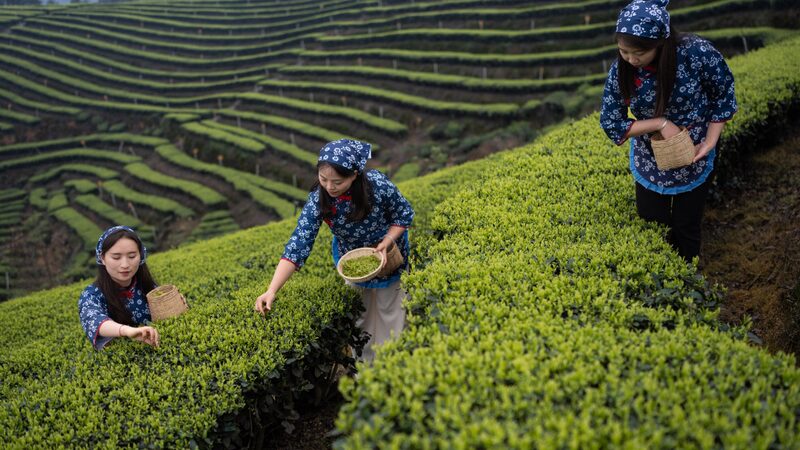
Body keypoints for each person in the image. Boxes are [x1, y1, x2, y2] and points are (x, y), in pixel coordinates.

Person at [255, 139, 415, 363]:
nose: (329, 187)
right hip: (353, 260)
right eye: (323, 179)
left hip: (390, 254)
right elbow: (298, 244)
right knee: (361, 318)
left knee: (392, 312)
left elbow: (404, 214)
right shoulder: (318, 200)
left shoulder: (378, 185)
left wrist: (387, 241)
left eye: (337, 181)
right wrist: (271, 290)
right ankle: (366, 370)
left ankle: (394, 365)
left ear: (355, 175)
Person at [600, 0, 737, 262]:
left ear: (660, 43)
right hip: (651, 153)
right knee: (653, 221)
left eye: (638, 52)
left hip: (695, 150)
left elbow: (723, 92)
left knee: (687, 225)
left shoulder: (695, 53)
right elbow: (611, 121)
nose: (631, 59)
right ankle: (662, 280)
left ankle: (688, 280)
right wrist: (660, 123)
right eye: (623, 51)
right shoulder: (622, 69)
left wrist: (710, 141)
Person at [78, 226, 160, 350]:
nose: (125, 265)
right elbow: (94, 320)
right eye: (116, 257)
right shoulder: (91, 295)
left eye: (132, 256)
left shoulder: (146, 284)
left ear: (141, 255)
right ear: (102, 258)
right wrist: (127, 331)